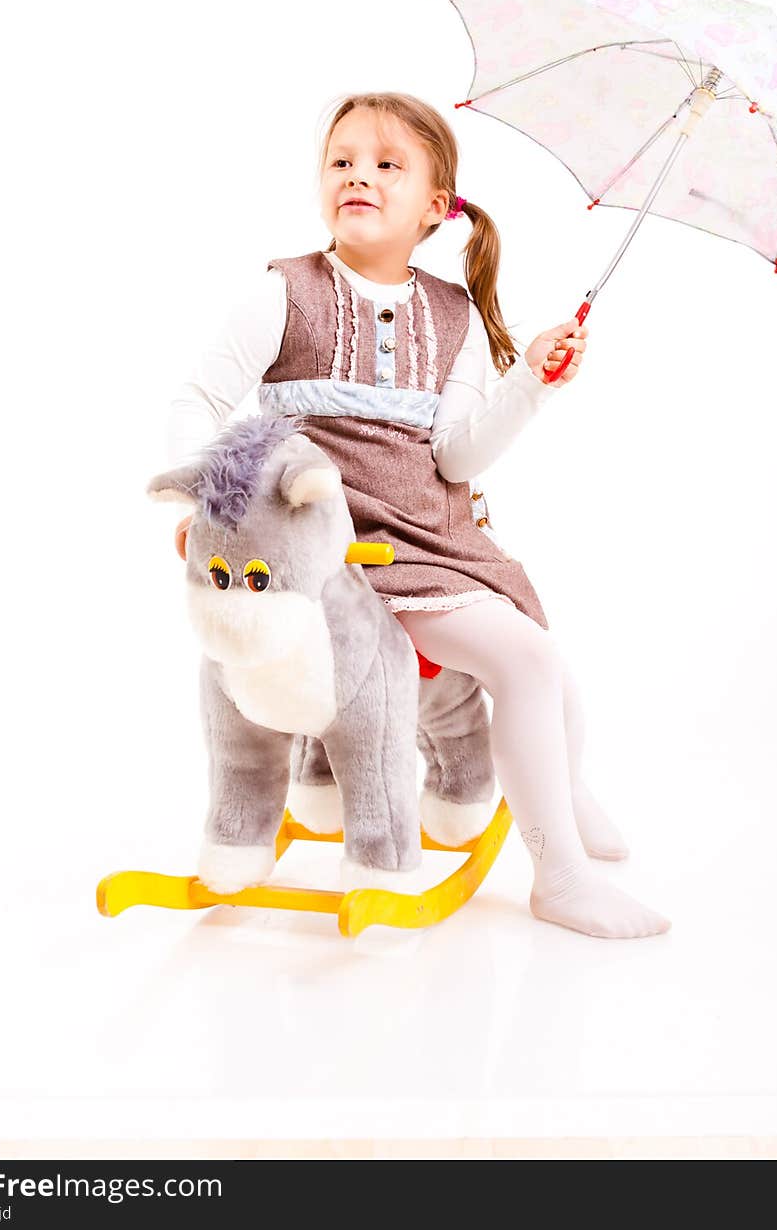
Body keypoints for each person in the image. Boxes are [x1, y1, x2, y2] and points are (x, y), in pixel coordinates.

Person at [165, 90, 670, 940]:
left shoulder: (455, 313)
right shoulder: (284, 292)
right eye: (342, 161)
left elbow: (457, 457)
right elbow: (199, 397)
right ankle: (562, 876)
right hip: (339, 554)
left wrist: (530, 385)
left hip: (433, 536)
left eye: (386, 165)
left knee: (542, 664)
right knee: (529, 663)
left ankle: (565, 790)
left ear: (436, 208)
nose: (357, 175)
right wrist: (205, 496)